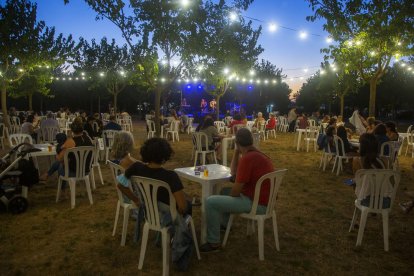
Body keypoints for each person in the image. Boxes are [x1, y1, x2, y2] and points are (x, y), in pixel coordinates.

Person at [200, 128, 274, 252]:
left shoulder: (247, 159)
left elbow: (235, 192)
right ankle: (223, 224)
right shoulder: (258, 154)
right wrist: (236, 152)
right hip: (265, 200)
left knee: (210, 202)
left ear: (237, 143)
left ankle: (213, 242)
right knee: (224, 192)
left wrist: (236, 152)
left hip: (256, 204)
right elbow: (233, 173)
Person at [122, 138, 190, 215]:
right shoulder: (171, 176)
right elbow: (182, 207)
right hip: (168, 213)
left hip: (147, 210)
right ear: (165, 157)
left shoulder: (136, 167)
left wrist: (136, 200)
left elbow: (120, 185)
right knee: (188, 204)